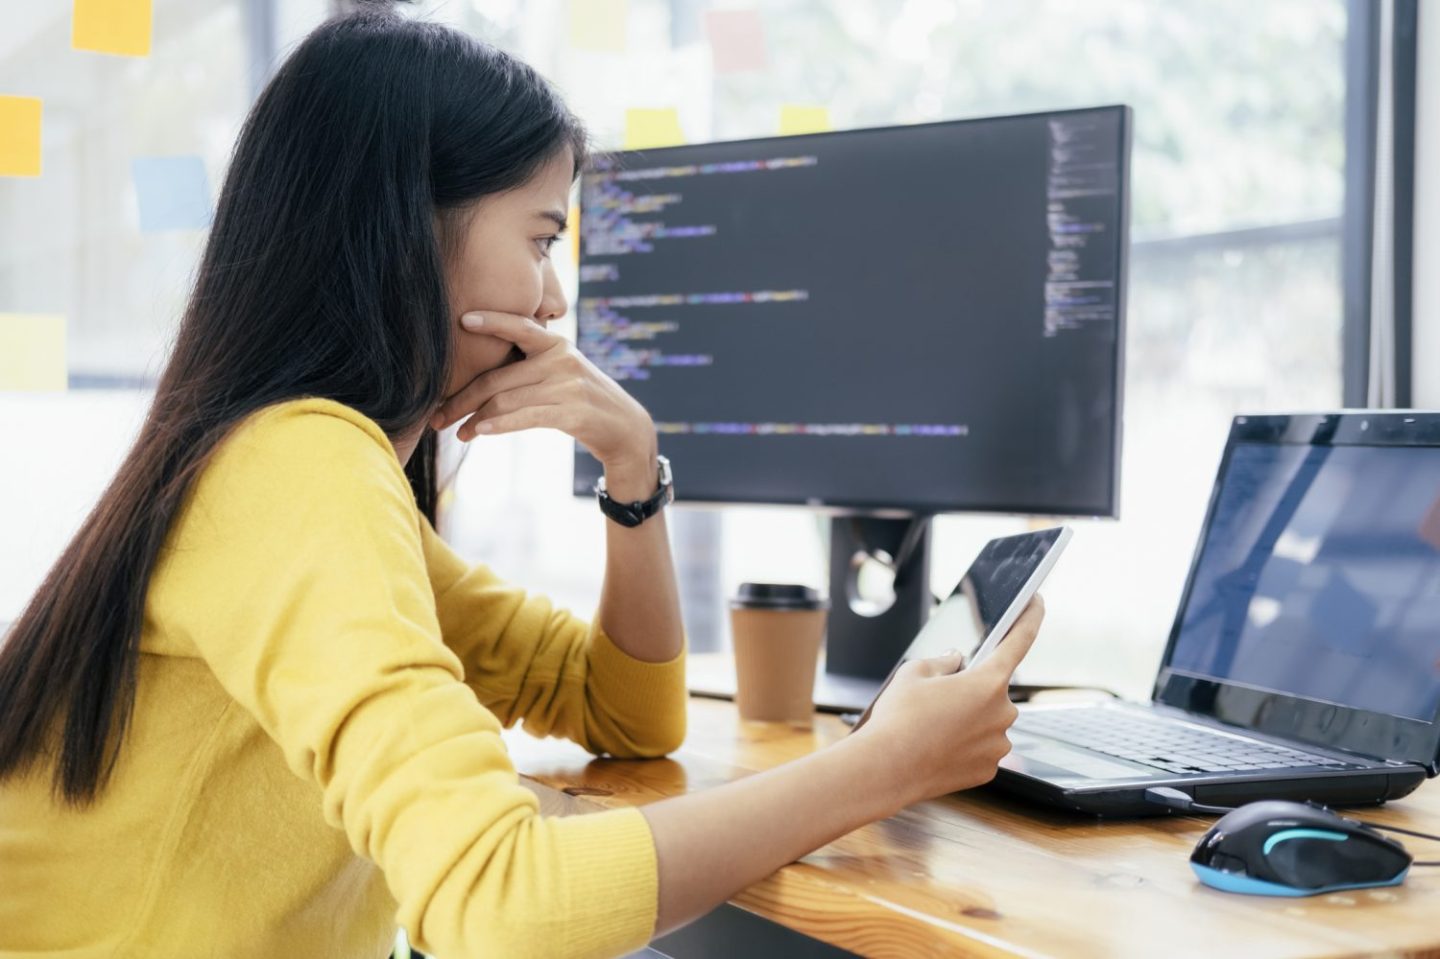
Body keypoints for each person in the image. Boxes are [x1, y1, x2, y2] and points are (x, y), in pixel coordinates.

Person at [0, 8, 1043, 958]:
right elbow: (503, 904)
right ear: (408, 231)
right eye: (542, 239)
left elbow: (627, 712)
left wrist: (632, 467)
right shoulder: (296, 469)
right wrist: (884, 768)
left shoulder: (284, 464)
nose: (553, 301)